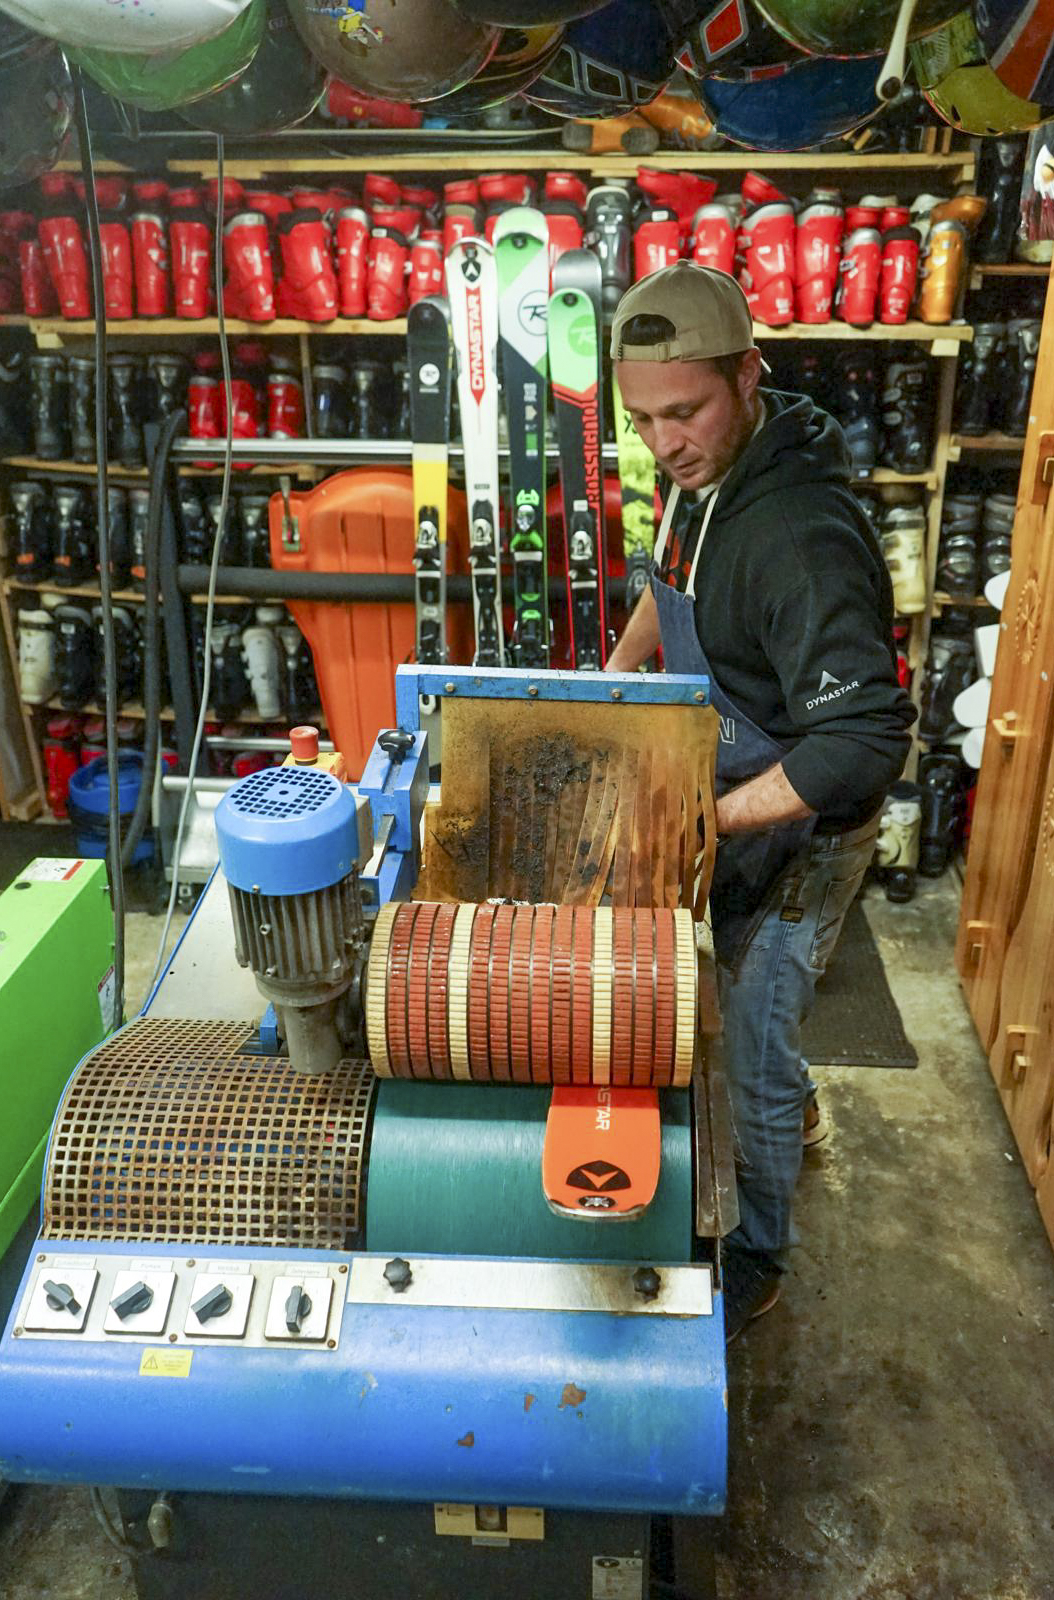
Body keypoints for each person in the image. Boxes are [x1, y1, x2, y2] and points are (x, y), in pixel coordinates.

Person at [605, 262, 916, 1339]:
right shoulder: (699, 475)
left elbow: (866, 738)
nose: (663, 442)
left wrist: (710, 818)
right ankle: (791, 1112)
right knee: (734, 1000)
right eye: (641, 418)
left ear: (748, 374)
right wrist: (611, 682)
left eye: (683, 411)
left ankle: (760, 1254)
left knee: (752, 1034)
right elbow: (667, 583)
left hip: (805, 826)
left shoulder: (798, 536)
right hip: (735, 784)